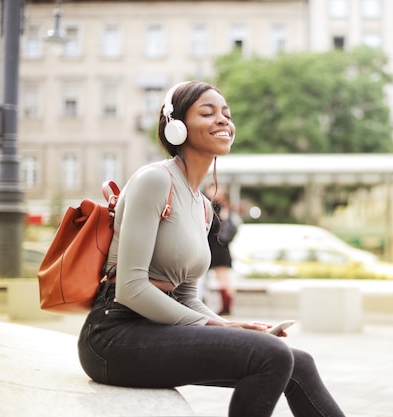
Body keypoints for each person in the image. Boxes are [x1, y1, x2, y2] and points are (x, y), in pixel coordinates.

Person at [77, 80, 346, 417]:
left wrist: (232, 327)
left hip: (159, 330)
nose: (223, 120)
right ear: (176, 127)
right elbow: (130, 289)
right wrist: (219, 328)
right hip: (114, 336)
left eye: (226, 114)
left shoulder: (204, 207)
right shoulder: (155, 180)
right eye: (207, 112)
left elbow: (188, 297)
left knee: (297, 362)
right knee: (271, 355)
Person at [205, 183, 241, 315]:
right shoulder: (205, 204)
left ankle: (226, 307)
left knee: (224, 280)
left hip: (220, 248)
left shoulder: (225, 209)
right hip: (210, 247)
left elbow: (225, 229)